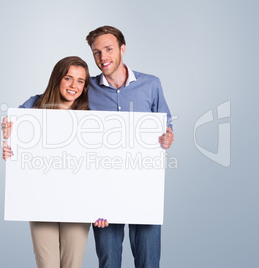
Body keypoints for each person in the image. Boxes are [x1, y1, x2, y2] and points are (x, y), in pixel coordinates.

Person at [85, 26, 174, 268]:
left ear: (122, 49)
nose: (103, 57)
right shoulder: (87, 88)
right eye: (96, 52)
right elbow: (49, 98)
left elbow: (165, 122)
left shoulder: (151, 84)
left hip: (144, 189)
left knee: (148, 262)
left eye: (108, 49)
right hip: (103, 192)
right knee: (109, 262)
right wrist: (15, 120)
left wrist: (168, 135)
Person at [2, 56, 93, 268]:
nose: (74, 86)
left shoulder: (91, 114)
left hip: (78, 202)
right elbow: (15, 143)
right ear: (57, 78)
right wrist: (7, 141)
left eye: (80, 81)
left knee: (72, 264)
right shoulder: (34, 106)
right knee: (47, 264)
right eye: (68, 78)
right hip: (40, 199)